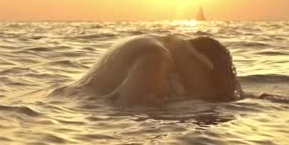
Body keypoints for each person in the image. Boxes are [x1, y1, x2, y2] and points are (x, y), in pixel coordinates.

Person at [73, 34, 242, 105]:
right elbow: (128, 107)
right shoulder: (157, 57)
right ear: (202, 62)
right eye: (210, 87)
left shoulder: (157, 49)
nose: (204, 96)